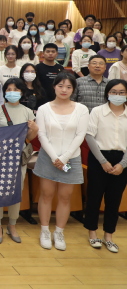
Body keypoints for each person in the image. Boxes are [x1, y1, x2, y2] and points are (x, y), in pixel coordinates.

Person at [34, 72, 89, 251]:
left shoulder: (81, 109)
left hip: (70, 158)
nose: (64, 90)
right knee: (46, 194)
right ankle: (44, 230)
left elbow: (80, 135)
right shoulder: (44, 108)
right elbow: (41, 134)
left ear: (73, 89)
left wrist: (64, 158)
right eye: (60, 86)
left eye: (68, 87)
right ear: (54, 87)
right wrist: (54, 157)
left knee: (65, 197)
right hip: (48, 157)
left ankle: (59, 232)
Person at [0, 78, 39, 244]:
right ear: (4, 92)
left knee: (16, 190)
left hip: (19, 157)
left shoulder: (27, 112)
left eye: (16, 89)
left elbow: (29, 137)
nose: (12, 92)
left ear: (22, 92)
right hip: (0, 157)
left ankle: (12, 224)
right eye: (9, 89)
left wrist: (35, 129)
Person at [84, 79, 127, 253]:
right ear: (107, 93)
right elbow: (89, 136)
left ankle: (109, 235)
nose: (117, 95)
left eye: (122, 92)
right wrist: (103, 161)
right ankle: (92, 233)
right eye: (114, 92)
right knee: (94, 197)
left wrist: (123, 164)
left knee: (114, 200)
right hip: (99, 157)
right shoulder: (97, 111)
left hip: (122, 160)